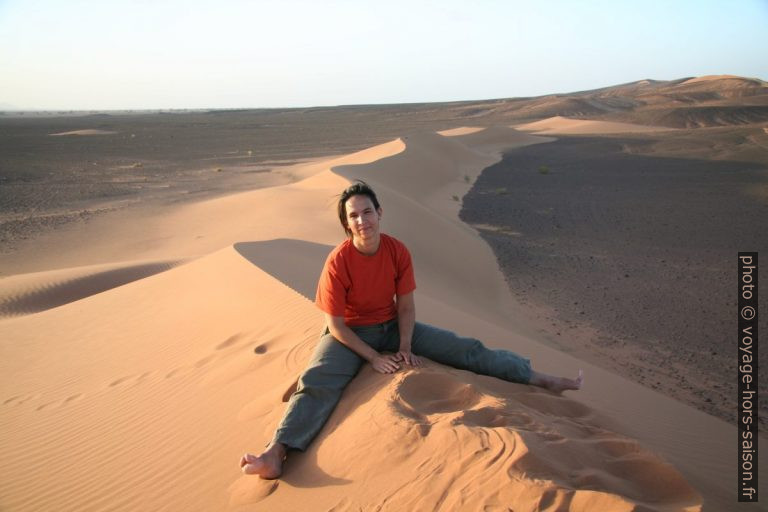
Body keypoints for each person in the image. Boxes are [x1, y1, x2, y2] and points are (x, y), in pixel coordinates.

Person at [240, 181, 583, 479]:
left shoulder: (396, 250)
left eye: (367, 212)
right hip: (350, 337)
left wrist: (405, 346)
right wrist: (374, 358)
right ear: (346, 223)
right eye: (354, 216)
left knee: (465, 349)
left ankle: (537, 376)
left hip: (392, 326)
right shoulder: (338, 261)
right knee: (318, 383)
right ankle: (276, 451)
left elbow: (405, 306)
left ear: (379, 212)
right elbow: (336, 325)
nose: (362, 221)